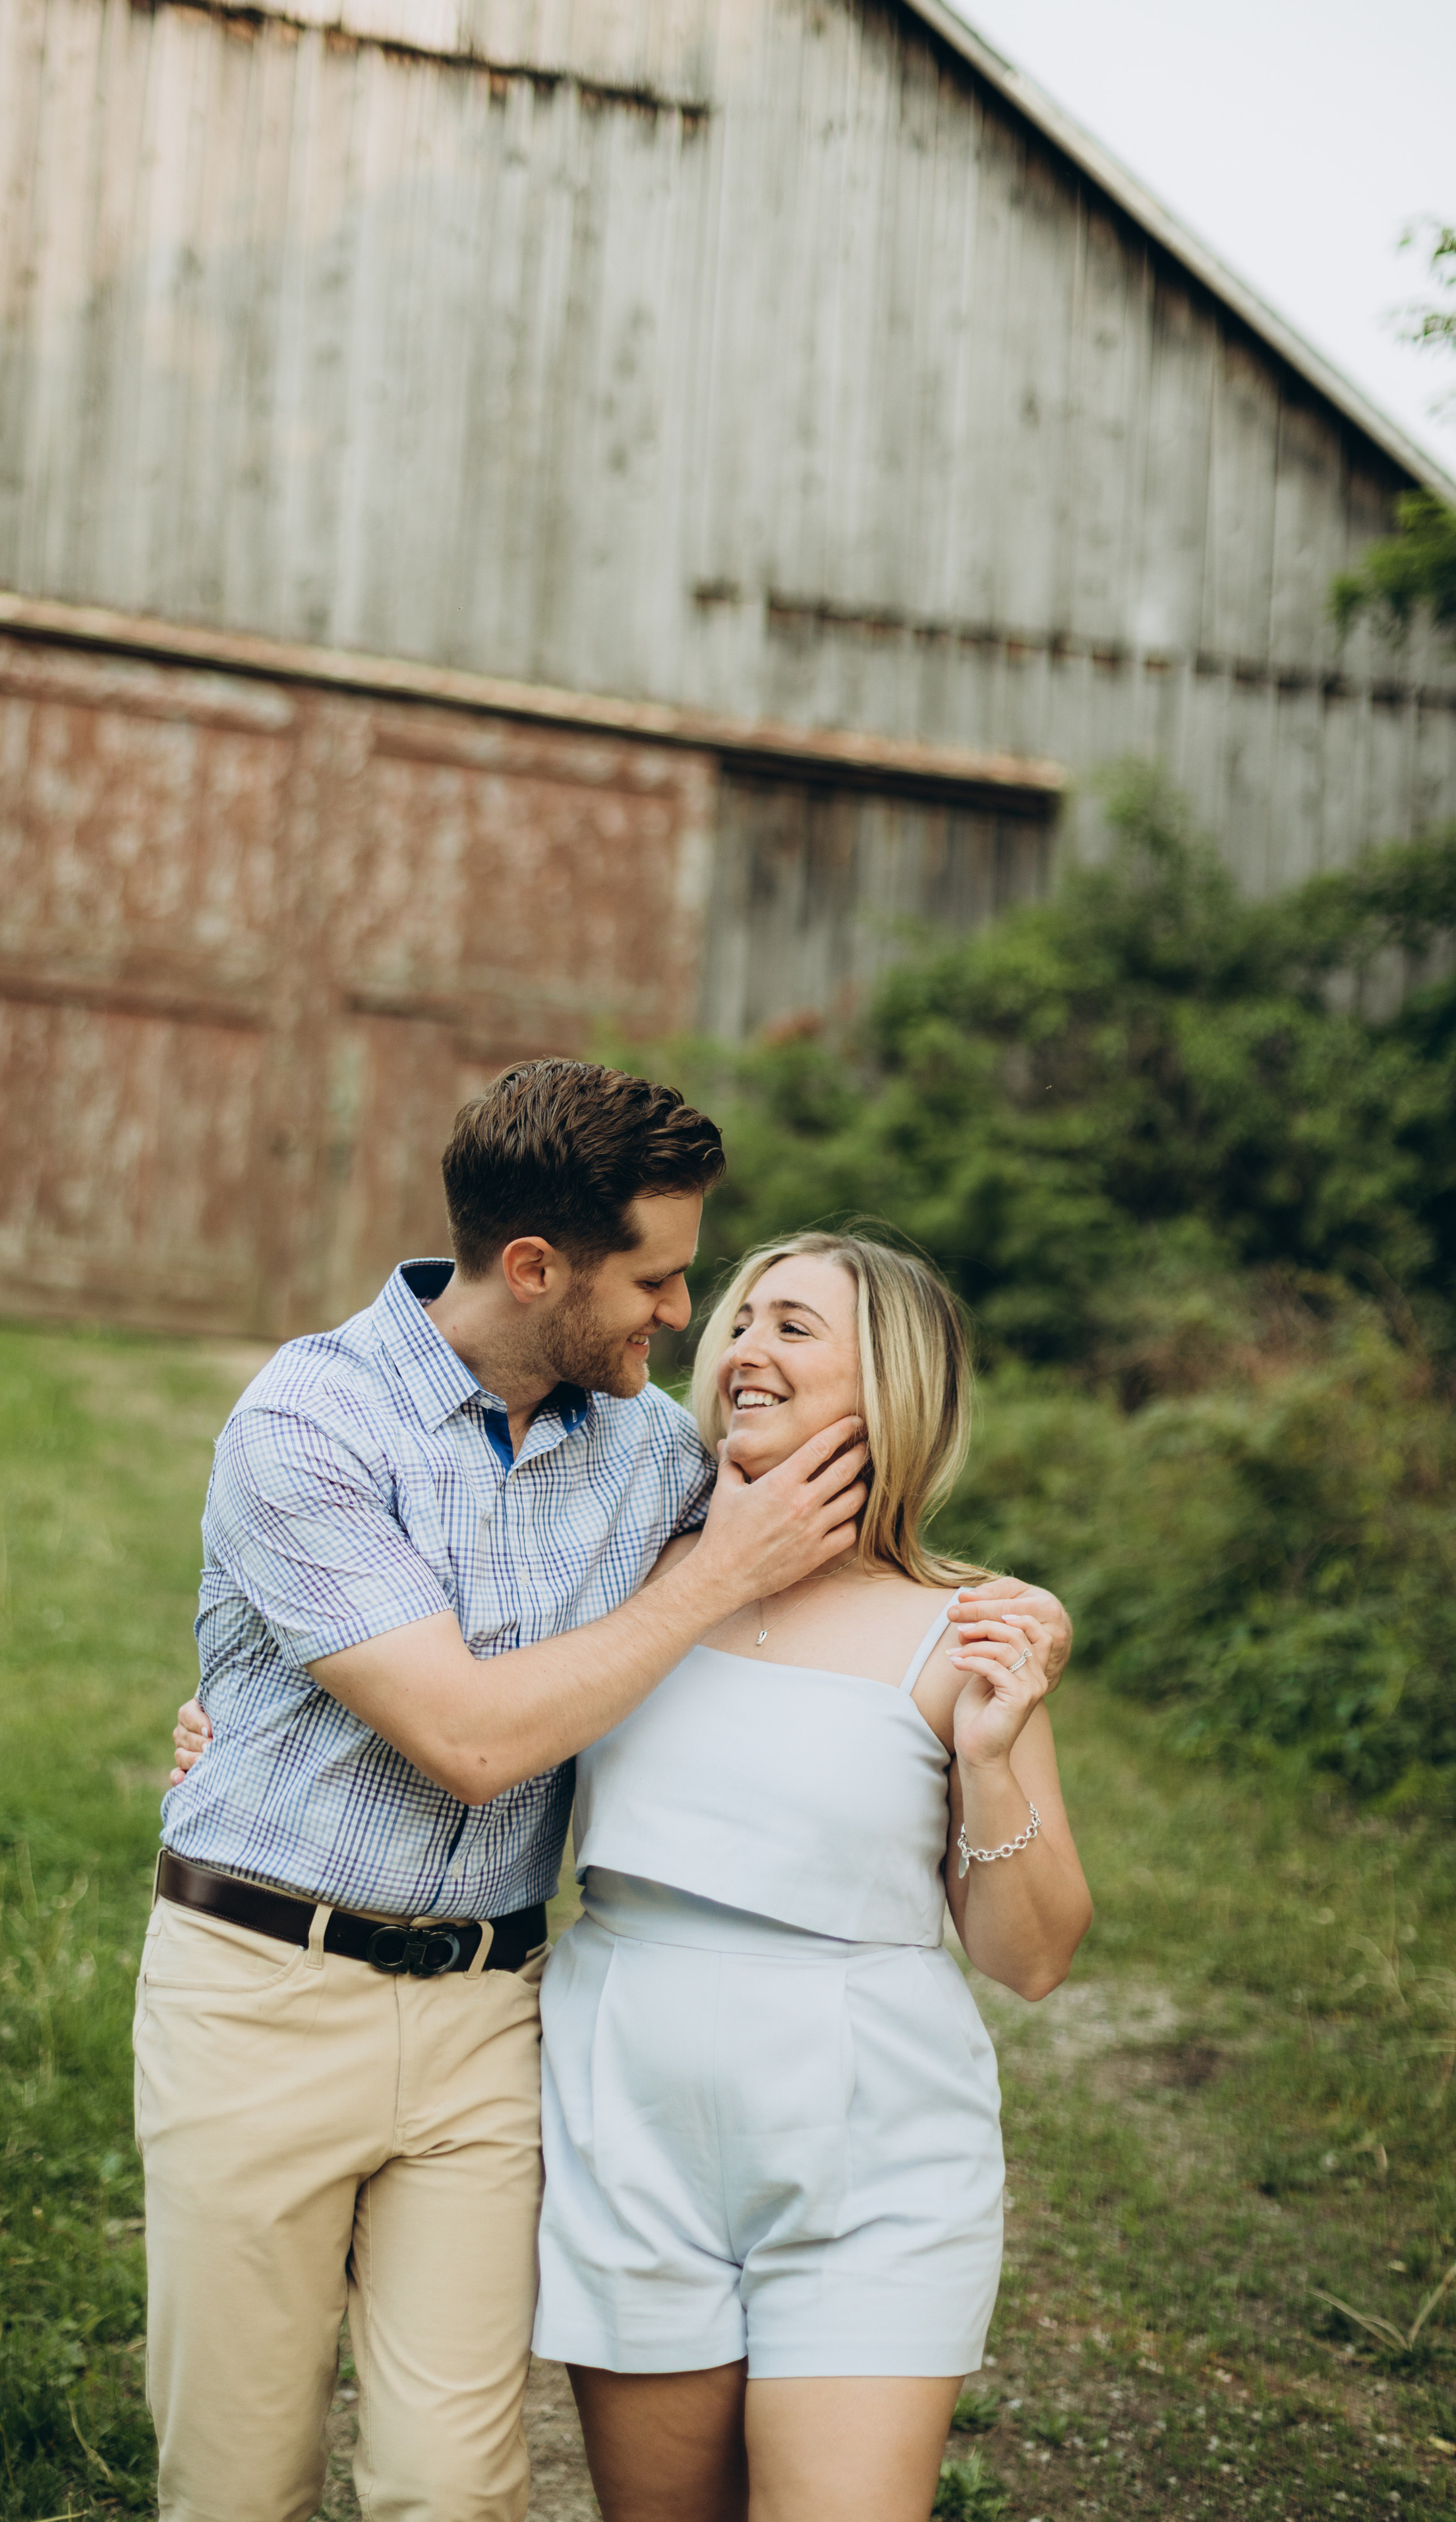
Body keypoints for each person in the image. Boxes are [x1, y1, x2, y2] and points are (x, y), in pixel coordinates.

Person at [154, 1060, 1073, 2522]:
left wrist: (1005, 1654)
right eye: (667, 1284)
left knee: (454, 2489)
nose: (684, 1322)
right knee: (238, 2478)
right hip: (272, 1987)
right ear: (536, 1269)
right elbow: (463, 1727)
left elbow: (838, 1583)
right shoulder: (314, 1422)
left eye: (716, 1294)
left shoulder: (645, 1454)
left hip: (487, 2019)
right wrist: (247, 1720)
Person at [533, 1232, 1093, 2522]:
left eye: (791, 1327)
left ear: (885, 1383)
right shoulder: (628, 1573)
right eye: (737, 1323)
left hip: (873, 2161)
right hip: (627, 2131)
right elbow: (466, 1705)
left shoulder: (966, 1632)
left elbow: (1030, 1958)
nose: (741, 1351)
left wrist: (992, 1758)